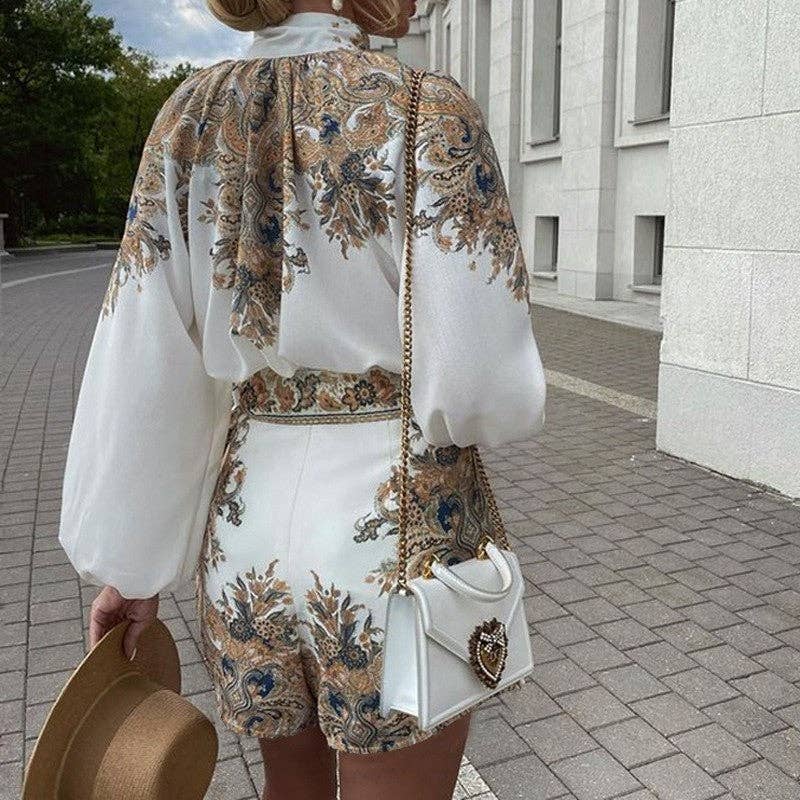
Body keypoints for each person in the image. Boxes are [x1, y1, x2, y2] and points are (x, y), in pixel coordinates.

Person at [58, 1, 547, 798]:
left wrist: (131, 570)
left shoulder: (187, 120)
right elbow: (485, 385)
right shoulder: (424, 106)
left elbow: (143, 363)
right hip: (393, 536)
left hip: (247, 536)